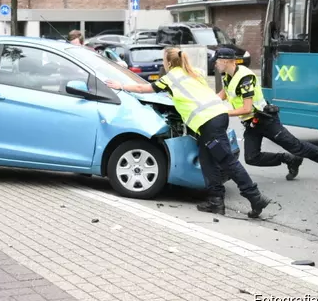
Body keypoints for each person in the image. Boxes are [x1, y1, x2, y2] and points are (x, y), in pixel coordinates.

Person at [105, 47, 272, 218]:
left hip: (209, 122)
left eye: (164, 60)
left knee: (227, 161)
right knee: (207, 160)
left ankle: (255, 197)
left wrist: (121, 85)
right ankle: (216, 201)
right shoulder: (194, 73)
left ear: (168, 62)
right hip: (217, 116)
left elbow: (143, 88)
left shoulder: (171, 78)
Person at [212, 48, 318, 180]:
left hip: (265, 120)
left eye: (217, 61)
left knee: (295, 146)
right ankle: (289, 159)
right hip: (251, 124)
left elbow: (247, 108)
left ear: (225, 61)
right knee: (251, 158)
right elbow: (224, 93)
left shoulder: (245, 78)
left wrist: (222, 113)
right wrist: (207, 103)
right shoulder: (228, 76)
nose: (215, 64)